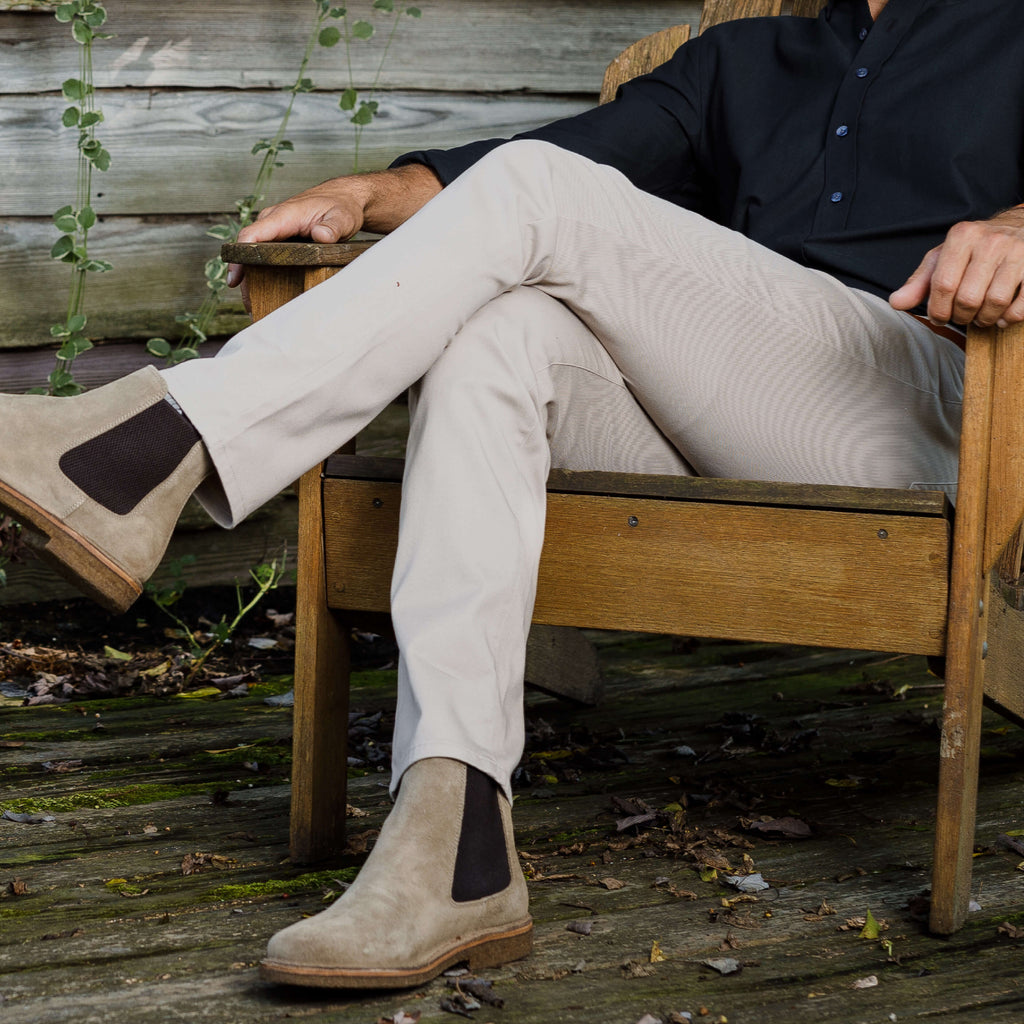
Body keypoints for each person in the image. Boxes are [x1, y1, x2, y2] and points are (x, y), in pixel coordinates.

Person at [2, 0, 1023, 990]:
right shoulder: (738, 61)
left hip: (927, 408)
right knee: (500, 333)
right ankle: (458, 845)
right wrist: (366, 192)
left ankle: (136, 453)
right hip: (724, 417)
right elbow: (535, 160)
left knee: (541, 190)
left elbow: (542, 185)